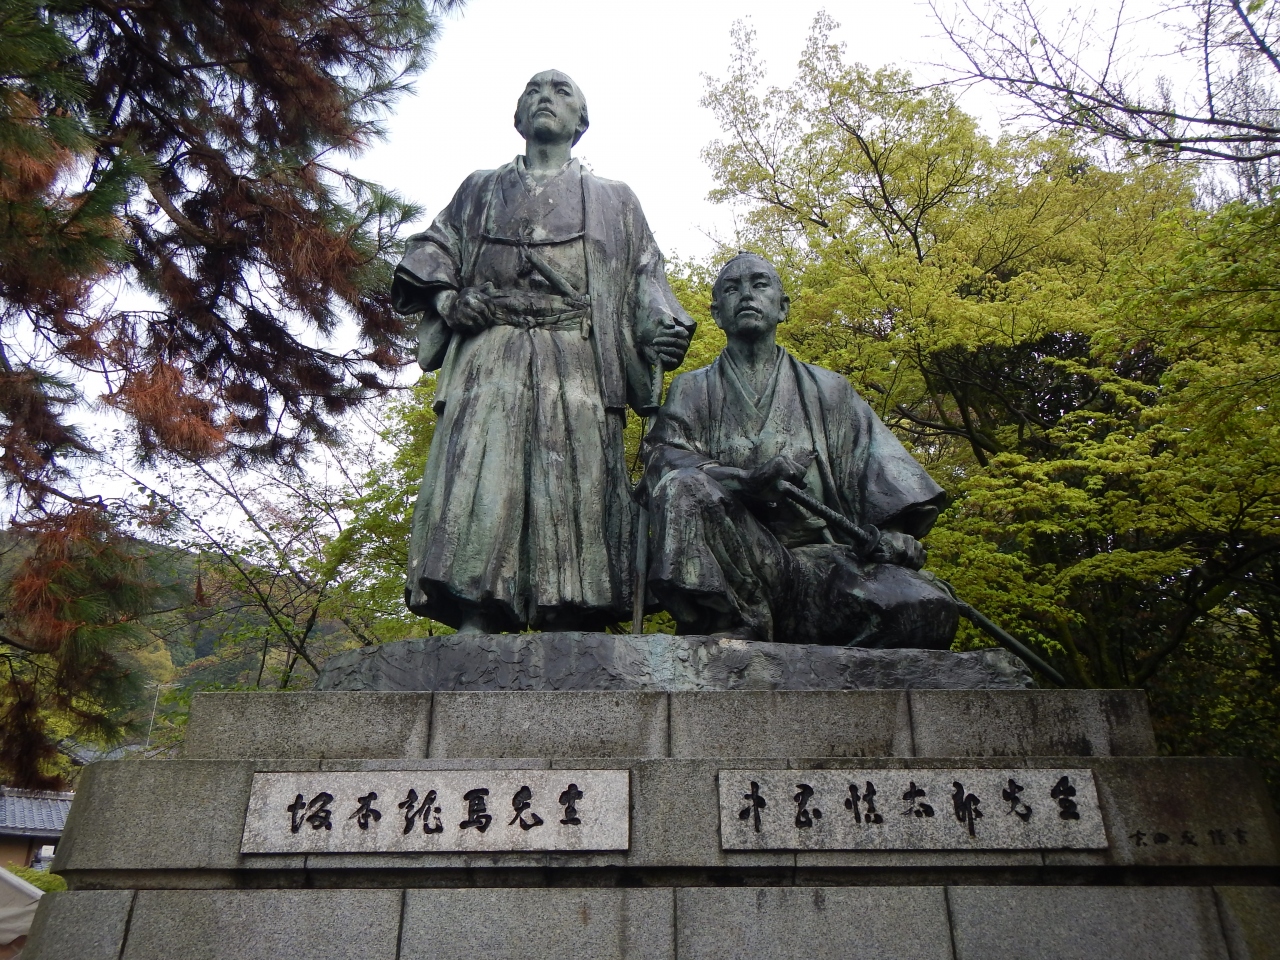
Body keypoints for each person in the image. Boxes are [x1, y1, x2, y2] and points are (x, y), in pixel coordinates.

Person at [392, 70, 693, 633]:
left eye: (560, 92)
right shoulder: (480, 189)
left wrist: (661, 330)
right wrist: (448, 299)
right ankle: (477, 607)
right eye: (533, 90)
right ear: (518, 116)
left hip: (578, 352)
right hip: (491, 348)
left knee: (576, 475)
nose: (545, 98)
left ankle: (572, 608)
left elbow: (644, 277)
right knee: (481, 469)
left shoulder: (614, 200)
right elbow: (432, 249)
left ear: (582, 120)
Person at [640, 252, 957, 647]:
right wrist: (745, 481)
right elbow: (662, 460)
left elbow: (880, 479)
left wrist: (894, 535)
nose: (746, 295)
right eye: (732, 289)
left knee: (927, 609)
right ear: (717, 314)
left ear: (783, 307)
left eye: (759, 285)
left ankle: (827, 665)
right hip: (741, 560)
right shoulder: (691, 389)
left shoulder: (830, 391)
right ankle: (730, 625)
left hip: (824, 570)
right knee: (683, 486)